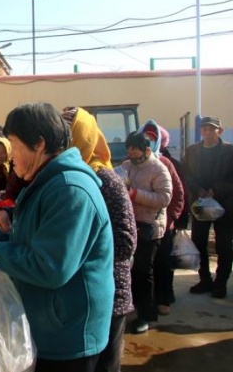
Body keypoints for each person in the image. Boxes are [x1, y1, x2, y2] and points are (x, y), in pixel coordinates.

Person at [0, 102, 114, 372]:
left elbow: (50, 267)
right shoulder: (45, 182)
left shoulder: (70, 190)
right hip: (50, 324)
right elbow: (33, 238)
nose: (10, 155)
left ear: (39, 144)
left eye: (14, 145)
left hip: (69, 336)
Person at [64, 107, 137, 372]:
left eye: (68, 136)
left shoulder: (105, 178)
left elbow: (126, 242)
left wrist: (81, 254)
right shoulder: (70, 176)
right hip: (83, 294)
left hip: (110, 293)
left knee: (106, 365)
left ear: (82, 137)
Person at [120, 131, 172, 334]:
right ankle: (135, 306)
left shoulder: (159, 169)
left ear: (147, 150)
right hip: (131, 224)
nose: (132, 154)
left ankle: (147, 315)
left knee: (143, 270)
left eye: (136, 150)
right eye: (129, 150)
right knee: (131, 269)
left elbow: (164, 198)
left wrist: (134, 193)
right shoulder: (126, 166)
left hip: (150, 225)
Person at [182, 116, 233, 298]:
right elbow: (186, 175)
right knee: (199, 243)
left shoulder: (229, 151)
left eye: (212, 129)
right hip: (200, 205)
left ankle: (221, 282)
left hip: (225, 205)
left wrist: (216, 190)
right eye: (205, 129)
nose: (208, 132)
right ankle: (205, 279)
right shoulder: (192, 151)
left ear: (220, 131)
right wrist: (197, 189)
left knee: (224, 246)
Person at [140, 120, 185, 316]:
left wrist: (171, 219)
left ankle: (163, 299)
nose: (148, 142)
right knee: (143, 267)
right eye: (145, 138)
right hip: (141, 224)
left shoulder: (165, 164)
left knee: (163, 264)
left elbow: (178, 195)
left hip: (162, 225)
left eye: (152, 138)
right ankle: (146, 303)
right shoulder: (131, 164)